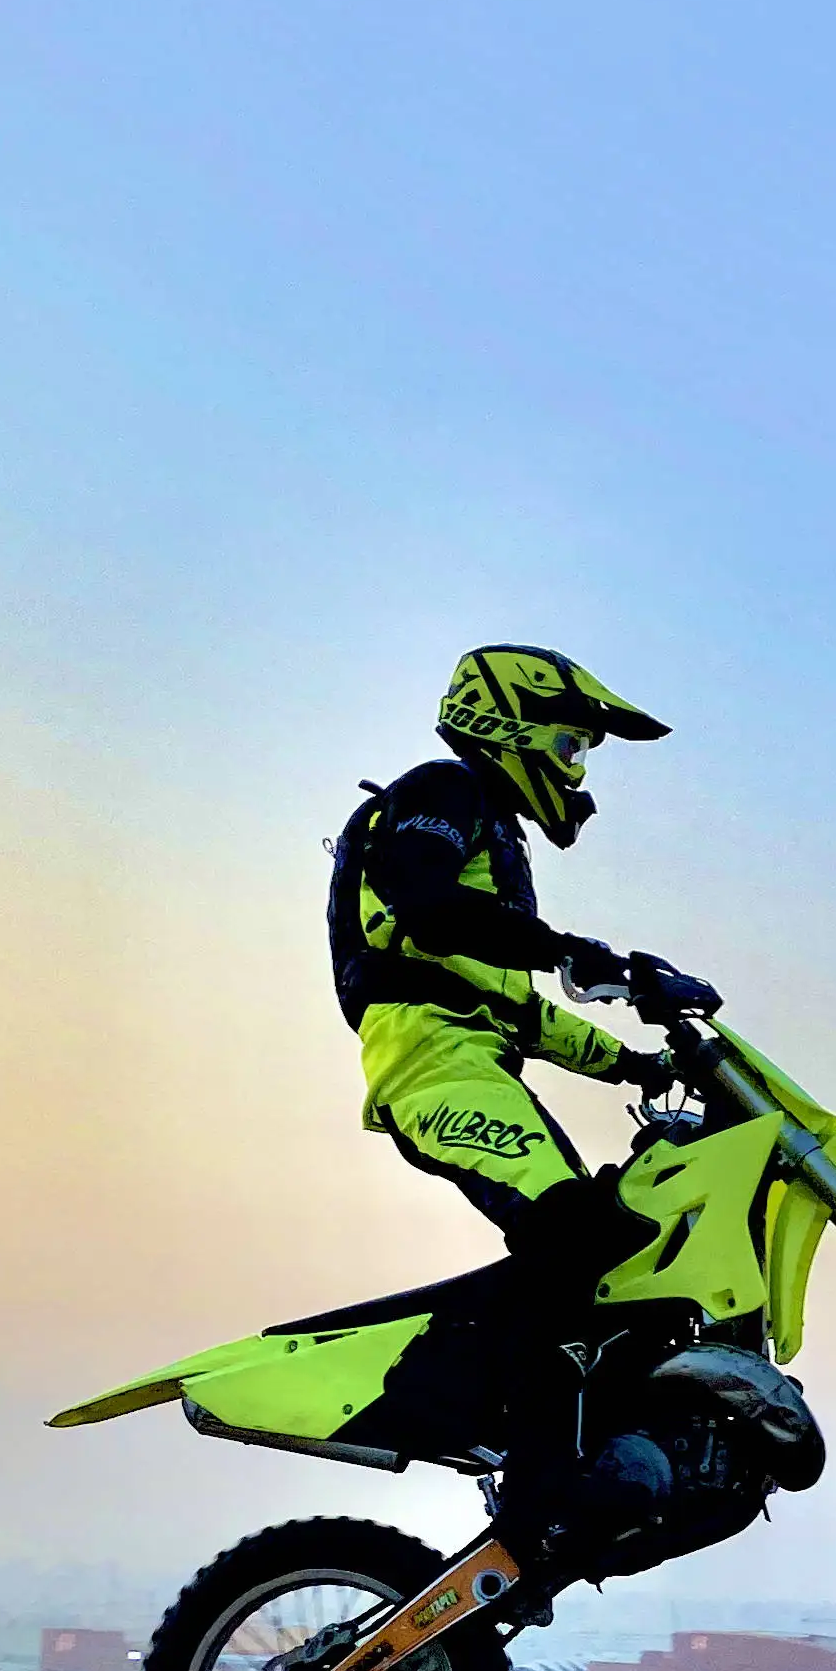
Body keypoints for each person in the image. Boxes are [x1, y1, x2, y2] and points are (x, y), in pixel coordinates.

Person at [327, 644, 677, 1557]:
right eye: (569, 744)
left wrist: (639, 1065)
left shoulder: (495, 842)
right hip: (431, 1064)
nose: (577, 770)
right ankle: (534, 1482)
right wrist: (567, 949)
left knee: (612, 1231)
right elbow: (425, 903)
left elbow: (518, 1010)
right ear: (509, 723)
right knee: (572, 1232)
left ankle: (592, 1438)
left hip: (476, 1056)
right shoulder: (444, 790)